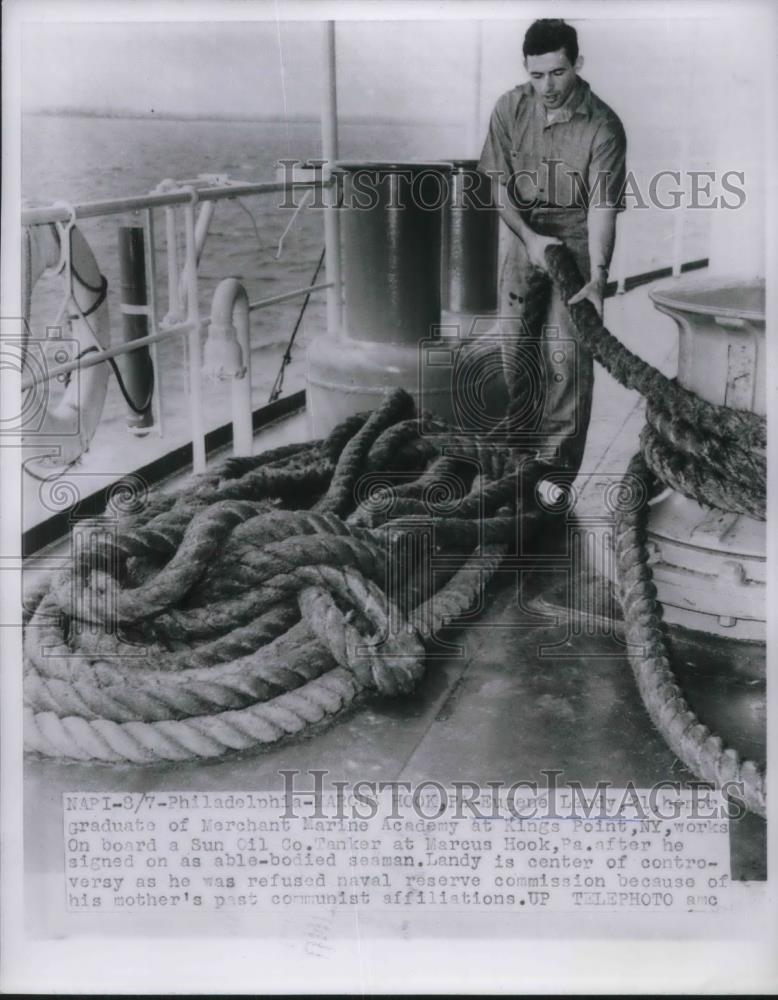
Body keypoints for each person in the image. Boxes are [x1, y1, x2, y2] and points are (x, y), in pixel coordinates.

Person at [478, 18, 626, 477]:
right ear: (526, 69)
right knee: (515, 355)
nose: (547, 86)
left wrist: (598, 277)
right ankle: (519, 467)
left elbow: (602, 207)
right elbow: (498, 188)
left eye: (558, 73)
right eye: (536, 75)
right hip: (524, 231)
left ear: (576, 63)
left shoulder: (604, 127)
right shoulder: (509, 109)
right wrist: (531, 240)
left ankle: (554, 479)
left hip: (577, 236)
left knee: (566, 361)